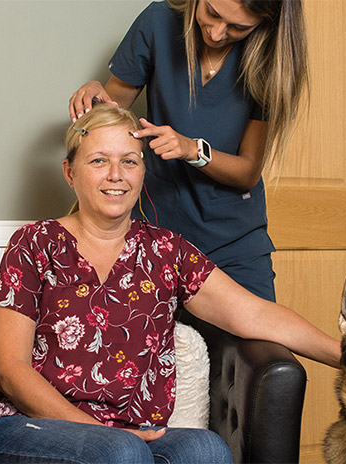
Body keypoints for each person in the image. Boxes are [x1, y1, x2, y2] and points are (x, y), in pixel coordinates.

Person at [0, 104, 339, 463]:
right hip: (22, 425)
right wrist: (99, 432)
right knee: (119, 453)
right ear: (70, 172)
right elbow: (9, 369)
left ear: (143, 173)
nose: (116, 174)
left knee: (205, 451)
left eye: (129, 161)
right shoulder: (34, 243)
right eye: (99, 160)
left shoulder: (166, 250)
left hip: (128, 435)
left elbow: (254, 314)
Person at [68, 0, 308, 302]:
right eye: (213, 13)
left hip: (234, 242)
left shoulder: (271, 60)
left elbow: (247, 171)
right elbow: (109, 113)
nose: (218, 33)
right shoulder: (158, 22)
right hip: (158, 232)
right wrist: (93, 92)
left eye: (238, 27)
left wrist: (192, 149)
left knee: (263, 346)